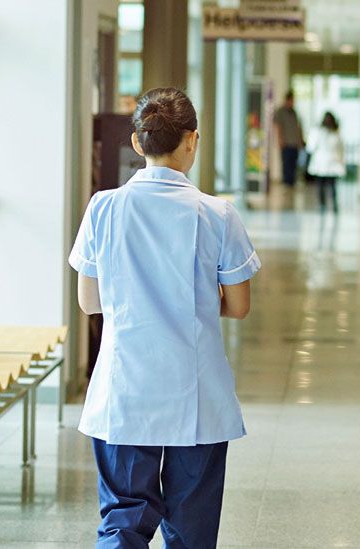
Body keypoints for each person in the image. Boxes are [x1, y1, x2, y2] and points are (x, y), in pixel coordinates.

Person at [69, 88, 261, 549]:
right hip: (196, 395)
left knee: (122, 523)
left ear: (138, 144)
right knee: (191, 529)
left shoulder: (104, 208)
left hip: (124, 391)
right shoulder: (218, 214)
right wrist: (190, 299)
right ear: (192, 141)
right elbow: (238, 305)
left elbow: (90, 302)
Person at [306, 111, 345, 212]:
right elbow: (340, 149)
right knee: (332, 185)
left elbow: (310, 147)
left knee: (321, 185)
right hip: (332, 162)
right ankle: (333, 204)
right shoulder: (335, 134)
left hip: (321, 163)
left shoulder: (318, 132)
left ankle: (322, 205)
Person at [273, 90, 304, 188]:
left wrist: (300, 141)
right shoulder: (280, 111)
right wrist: (280, 140)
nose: (293, 102)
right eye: (292, 100)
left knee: (293, 164)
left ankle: (292, 182)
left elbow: (298, 127)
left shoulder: (294, 112)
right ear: (287, 100)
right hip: (286, 143)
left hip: (294, 142)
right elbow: (278, 127)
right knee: (286, 164)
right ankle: (286, 183)